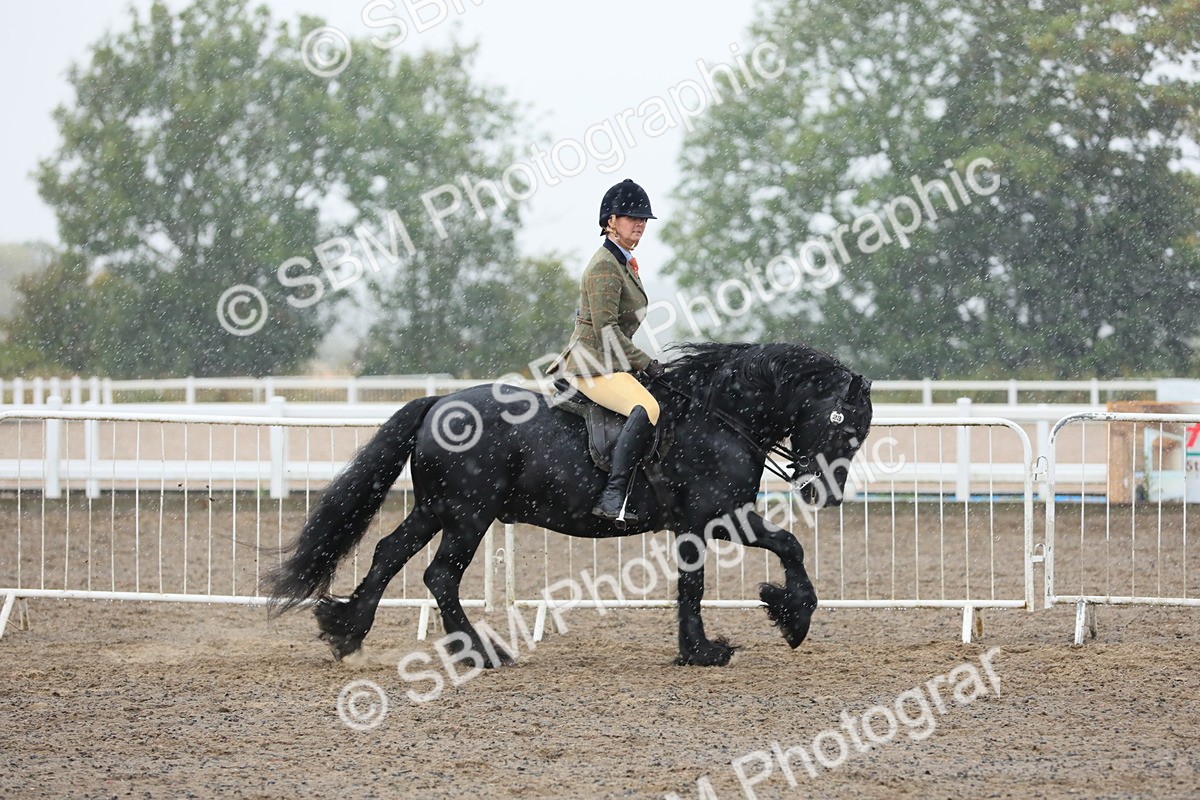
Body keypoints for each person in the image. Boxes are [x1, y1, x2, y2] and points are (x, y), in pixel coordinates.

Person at [550, 178, 665, 527]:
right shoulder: (605, 265)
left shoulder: (622, 262)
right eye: (632, 217)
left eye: (643, 219)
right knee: (647, 408)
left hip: (610, 362)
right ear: (611, 221)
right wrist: (645, 362)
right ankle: (613, 496)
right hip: (591, 364)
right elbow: (607, 330)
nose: (640, 224)